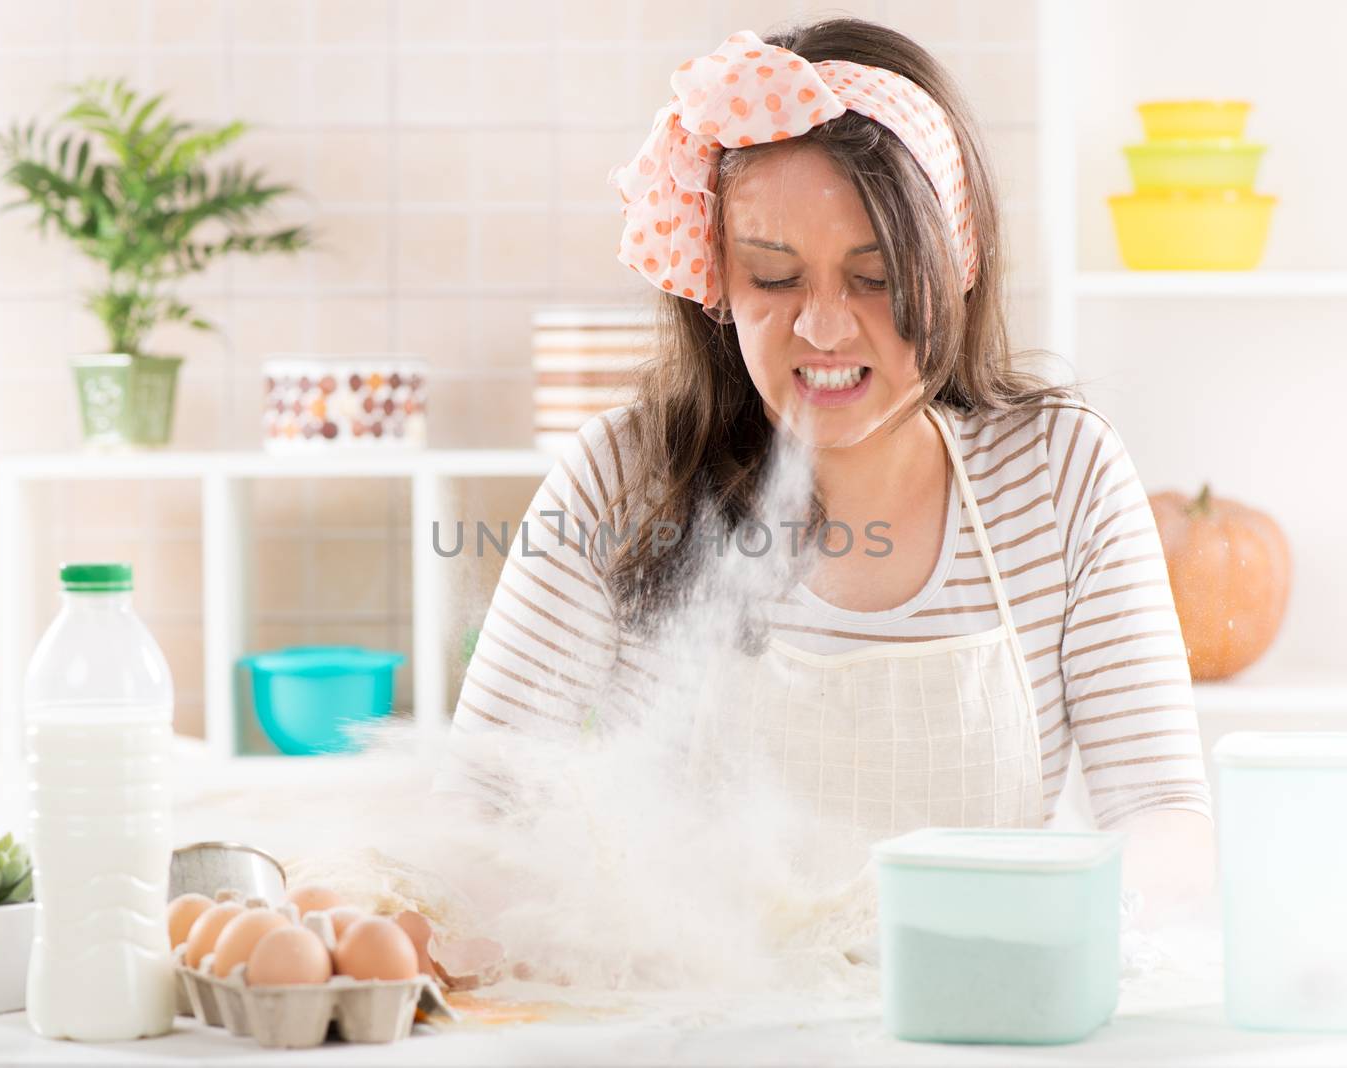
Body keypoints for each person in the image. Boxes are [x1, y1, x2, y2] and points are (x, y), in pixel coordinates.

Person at [442, 17, 1213, 911]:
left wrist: (1085, 919)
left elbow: (1160, 811)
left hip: (975, 1021)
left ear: (955, 263)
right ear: (717, 285)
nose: (823, 328)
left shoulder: (1059, 475)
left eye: (875, 277)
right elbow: (481, 807)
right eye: (775, 278)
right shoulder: (623, 479)